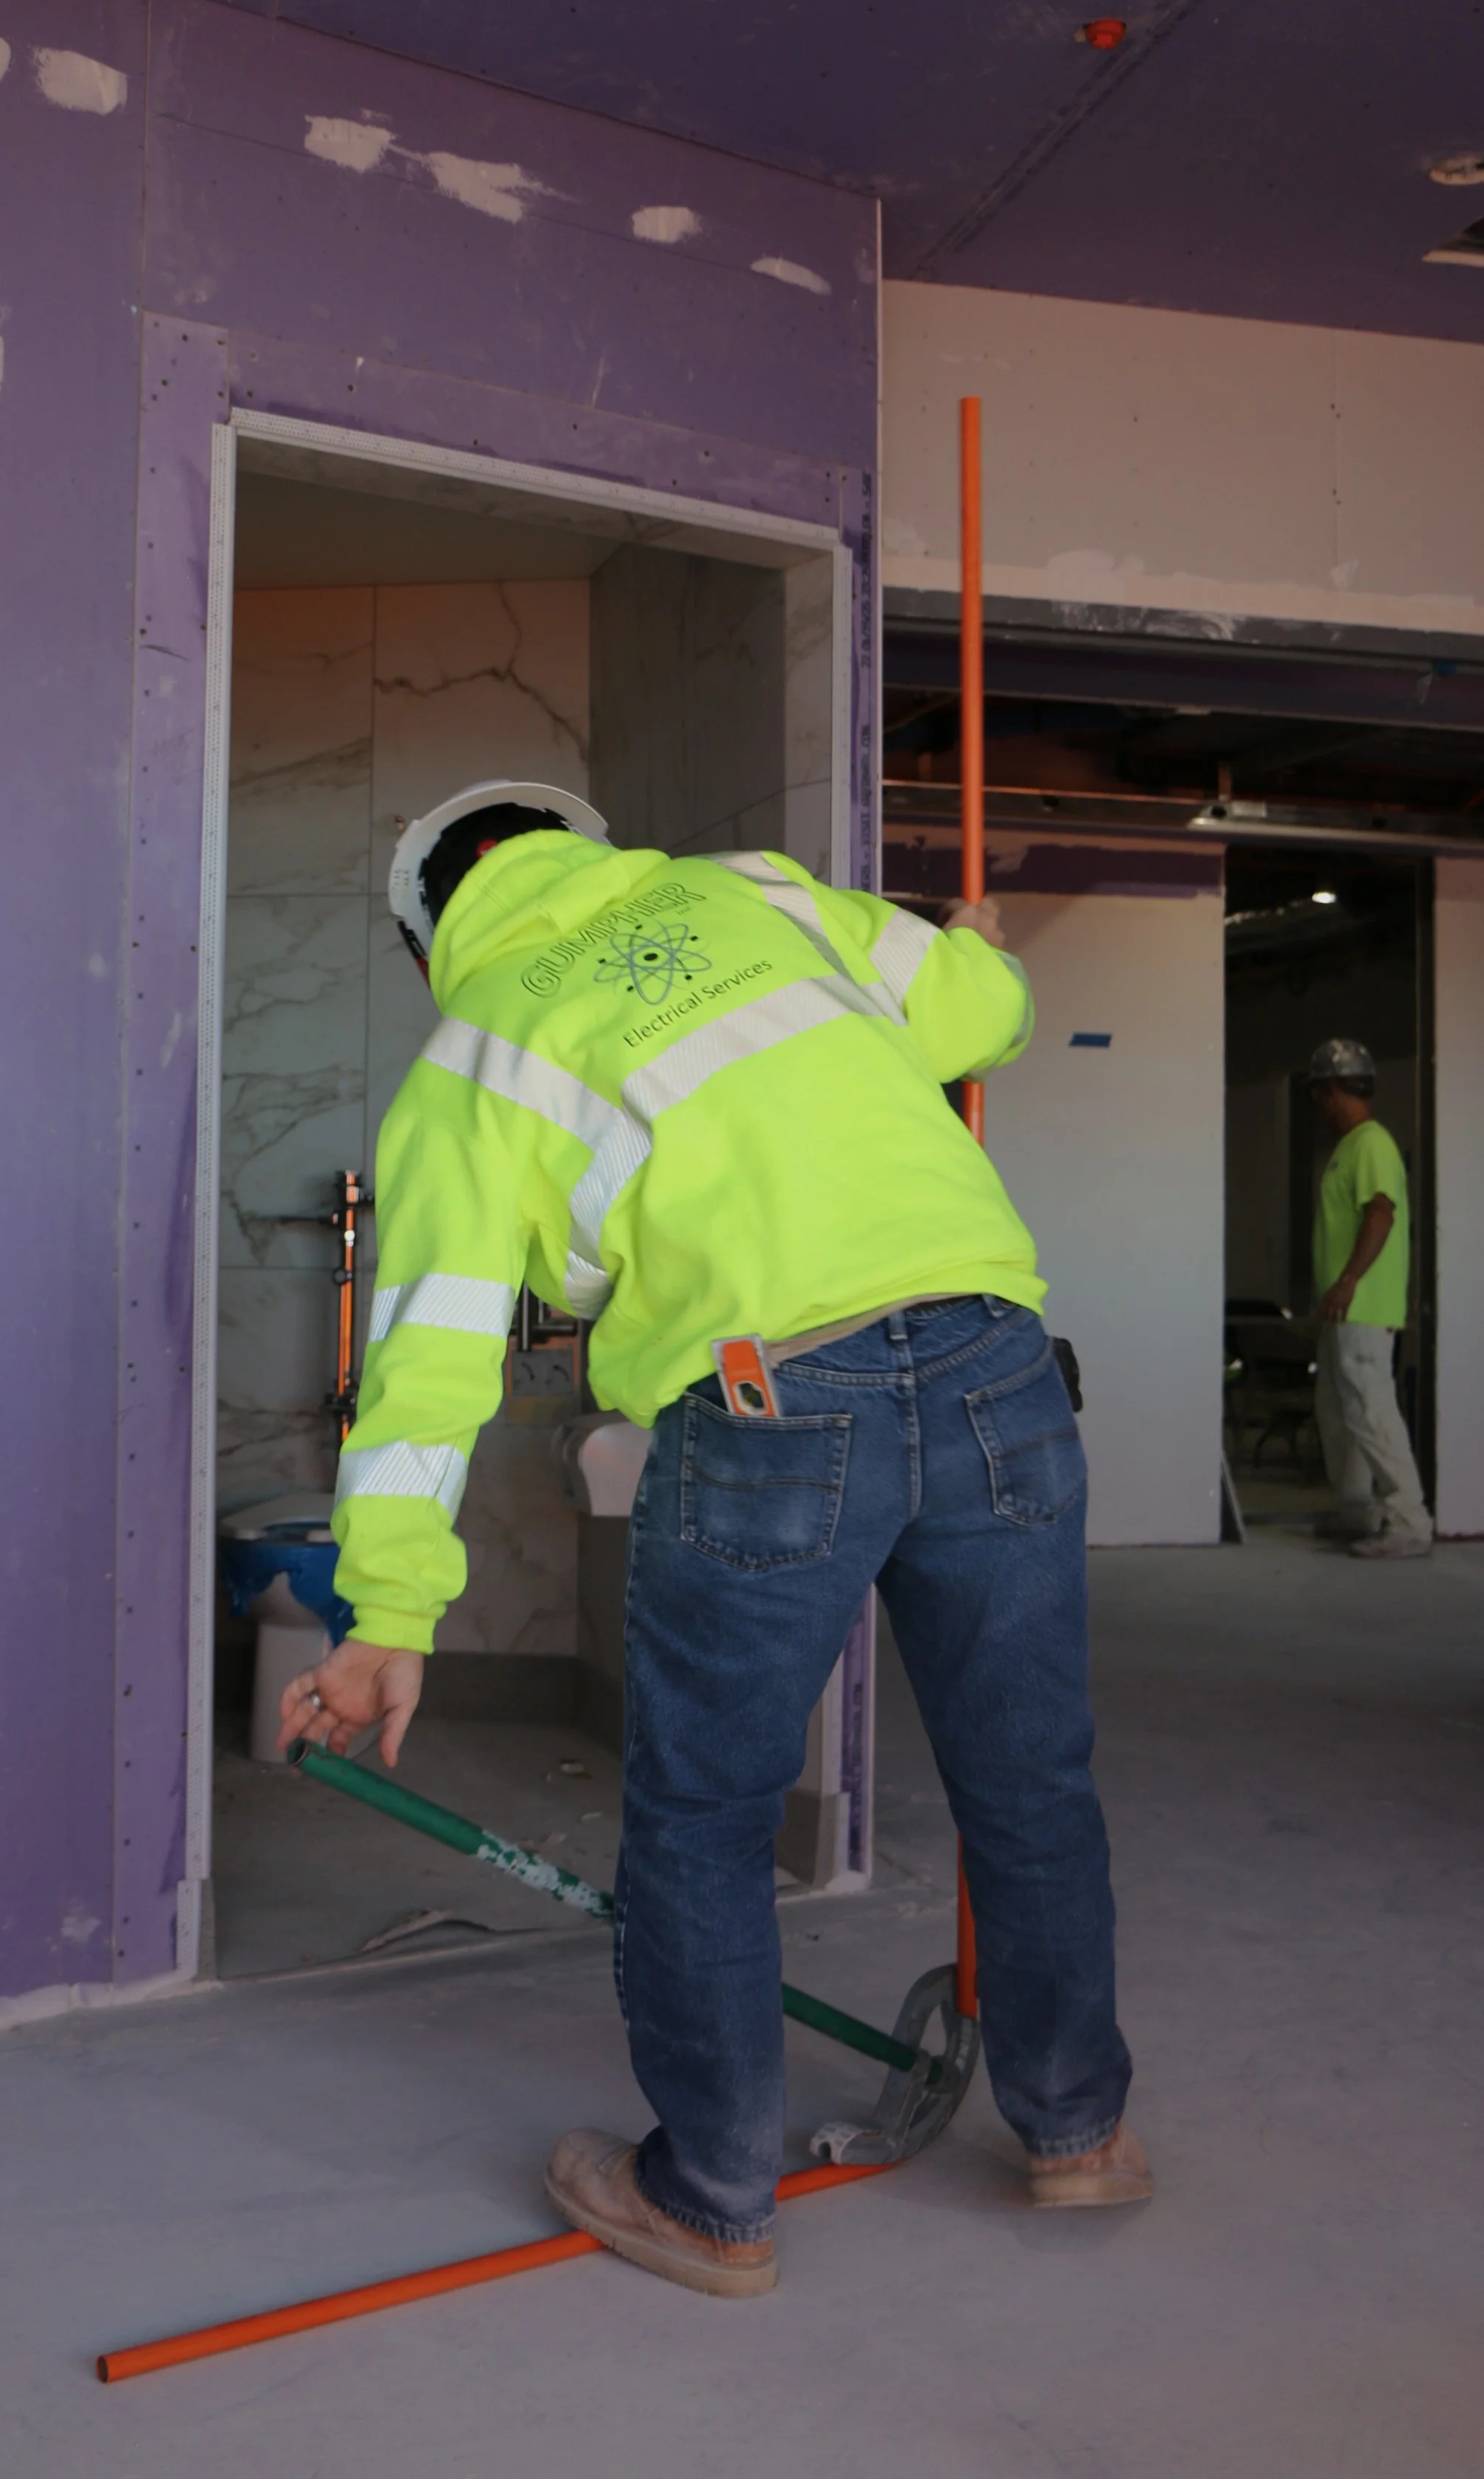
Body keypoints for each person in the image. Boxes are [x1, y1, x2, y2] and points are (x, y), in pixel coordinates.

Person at [278, 782, 1149, 2298]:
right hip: (994, 1364)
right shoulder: (755, 893)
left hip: (765, 1402)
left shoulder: (474, 1053)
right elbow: (977, 1013)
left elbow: (425, 1365)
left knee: (704, 1818)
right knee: (1028, 1779)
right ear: (587, 848)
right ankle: (1077, 2133)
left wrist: (387, 1619)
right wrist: (976, 948)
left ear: (430, 945)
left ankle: (709, 2197)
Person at [1308, 1038, 1432, 1559]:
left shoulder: (1372, 1143)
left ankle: (1408, 1520)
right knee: (1340, 1409)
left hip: (1363, 1306)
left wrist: (1349, 1280)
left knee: (1370, 1409)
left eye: (1320, 1095)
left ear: (1333, 1091)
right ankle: (1358, 1509)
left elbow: (1381, 1212)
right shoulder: (1351, 1147)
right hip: (1345, 1308)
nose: (1320, 1107)